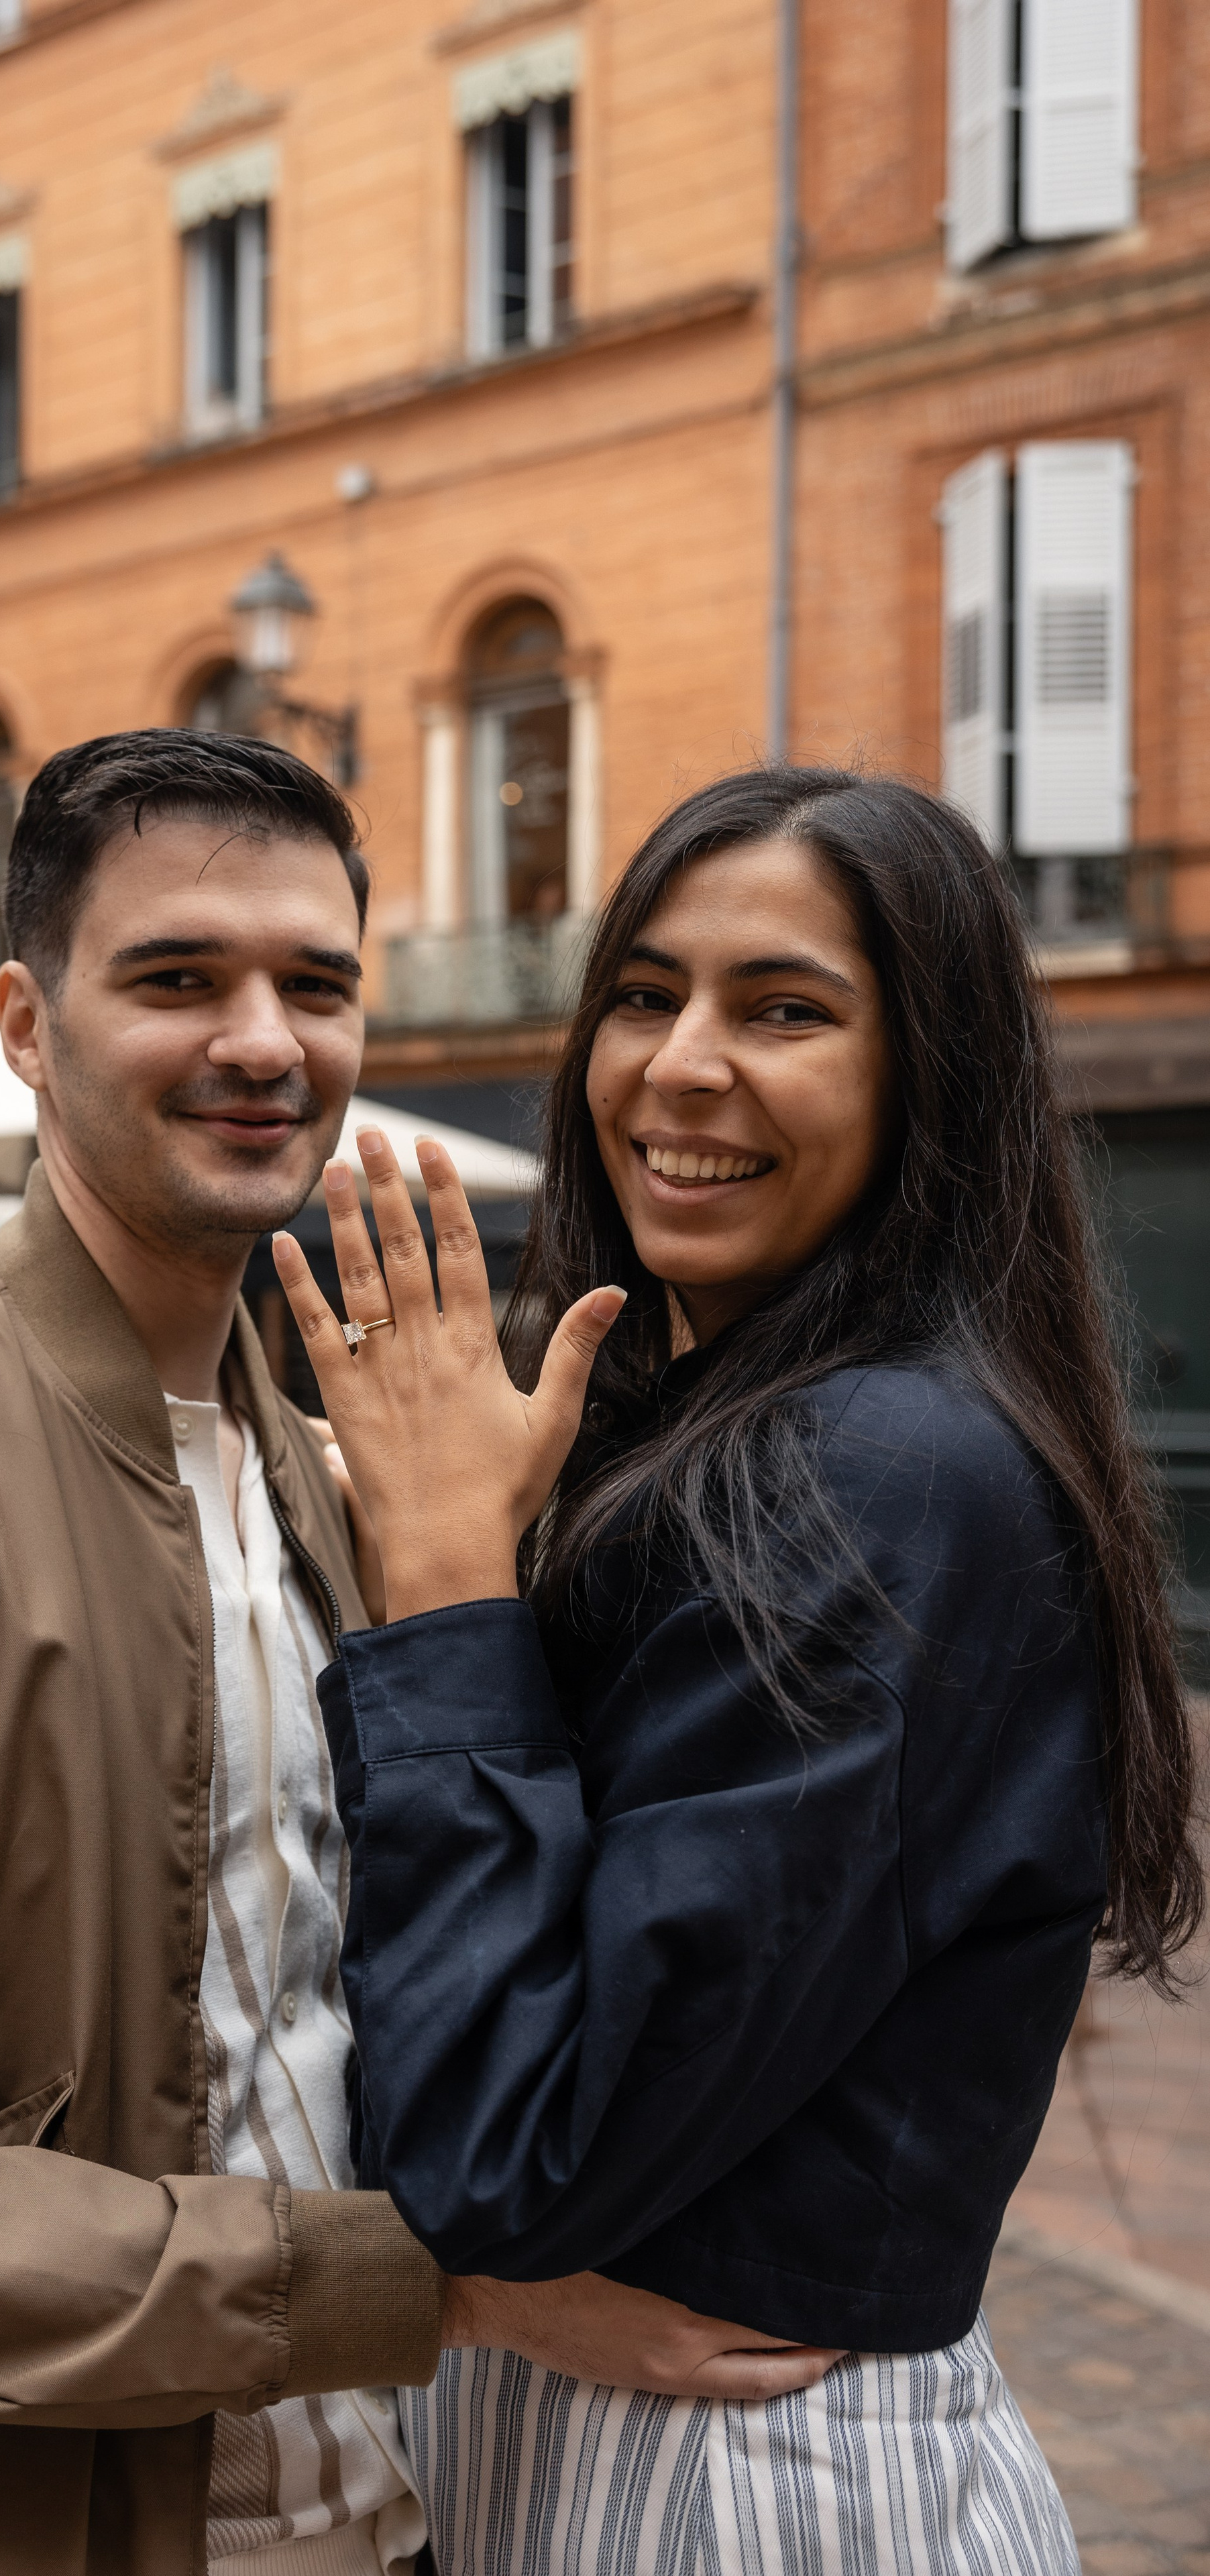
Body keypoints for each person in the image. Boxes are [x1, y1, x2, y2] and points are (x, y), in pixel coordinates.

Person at [0, 731, 823, 2576]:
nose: (264, 1041)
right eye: (177, 977)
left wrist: (471, 1568)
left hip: (383, 2525)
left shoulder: (330, 1469)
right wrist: (440, 2297)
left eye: (315, 984)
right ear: (26, 1021)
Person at [274, 766, 1203, 2575]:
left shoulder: (874, 1477)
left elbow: (508, 2159)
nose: (682, 1066)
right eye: (646, 993)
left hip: (727, 2486)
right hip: (639, 2446)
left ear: (926, 1071)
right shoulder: (741, 1429)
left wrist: (450, 1586)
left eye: (785, 1009)